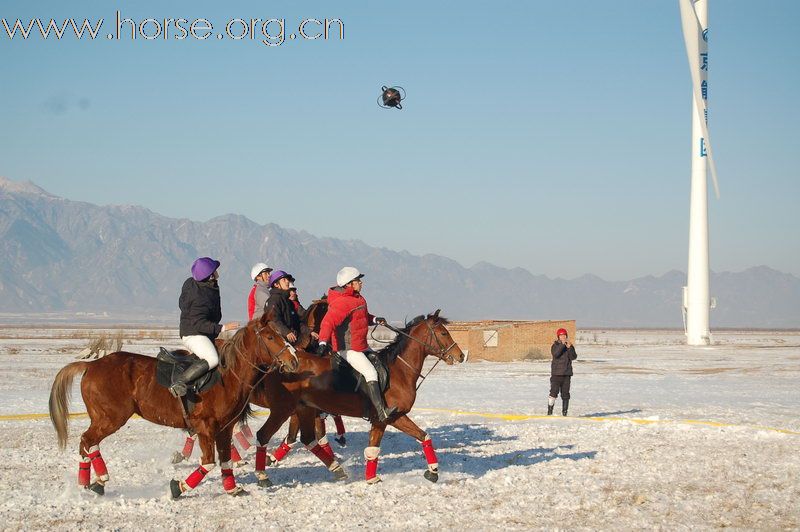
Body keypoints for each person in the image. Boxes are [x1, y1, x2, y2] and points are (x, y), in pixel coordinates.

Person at [316, 267, 396, 422]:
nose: (361, 282)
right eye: (358, 280)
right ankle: (381, 412)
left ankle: (374, 402)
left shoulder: (358, 298)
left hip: (361, 345)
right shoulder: (342, 302)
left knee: (380, 362)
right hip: (347, 348)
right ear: (349, 284)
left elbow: (363, 316)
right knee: (371, 373)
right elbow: (328, 322)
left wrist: (374, 320)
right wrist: (323, 341)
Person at [172, 257, 239, 397]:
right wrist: (222, 328)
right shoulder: (200, 296)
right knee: (212, 359)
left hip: (200, 332)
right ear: (210, 275)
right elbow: (198, 323)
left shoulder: (198, 285)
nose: (217, 272)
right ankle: (179, 382)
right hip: (194, 334)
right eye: (215, 270)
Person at [264, 270, 308, 345]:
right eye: (284, 280)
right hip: (279, 342)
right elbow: (274, 320)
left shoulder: (288, 302)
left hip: (292, 338)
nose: (287, 282)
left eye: (287, 279)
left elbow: (296, 322)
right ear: (276, 284)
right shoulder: (274, 300)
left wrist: (309, 332)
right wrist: (287, 332)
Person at [548, 328, 577, 416]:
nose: (563, 337)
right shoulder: (555, 346)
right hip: (556, 374)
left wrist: (570, 348)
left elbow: (573, 357)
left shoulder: (569, 346)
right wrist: (563, 345)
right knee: (553, 393)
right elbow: (556, 354)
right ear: (558, 337)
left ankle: (565, 413)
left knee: (565, 394)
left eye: (564, 335)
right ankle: (550, 412)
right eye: (561, 336)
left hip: (566, 374)